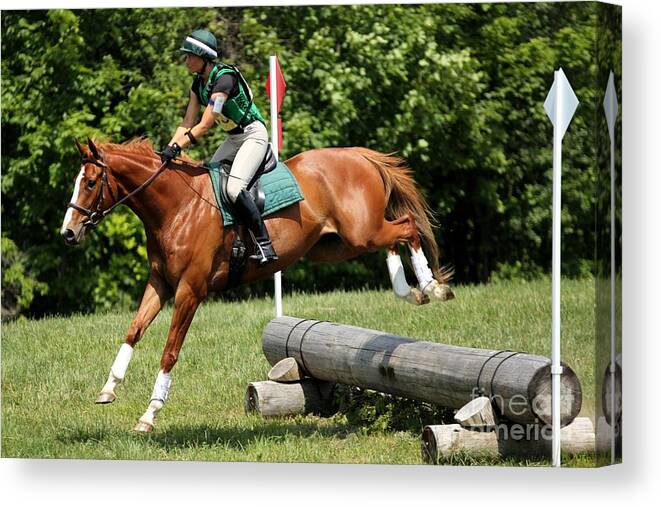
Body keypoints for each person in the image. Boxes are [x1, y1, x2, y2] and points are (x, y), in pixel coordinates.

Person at [161, 28, 277, 265]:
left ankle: (265, 245)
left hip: (253, 135)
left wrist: (180, 146)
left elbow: (204, 125)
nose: (186, 60)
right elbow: (187, 122)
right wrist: (171, 146)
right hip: (234, 139)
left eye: (189, 56)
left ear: (203, 57)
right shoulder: (197, 85)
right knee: (211, 183)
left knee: (234, 188)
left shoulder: (224, 80)